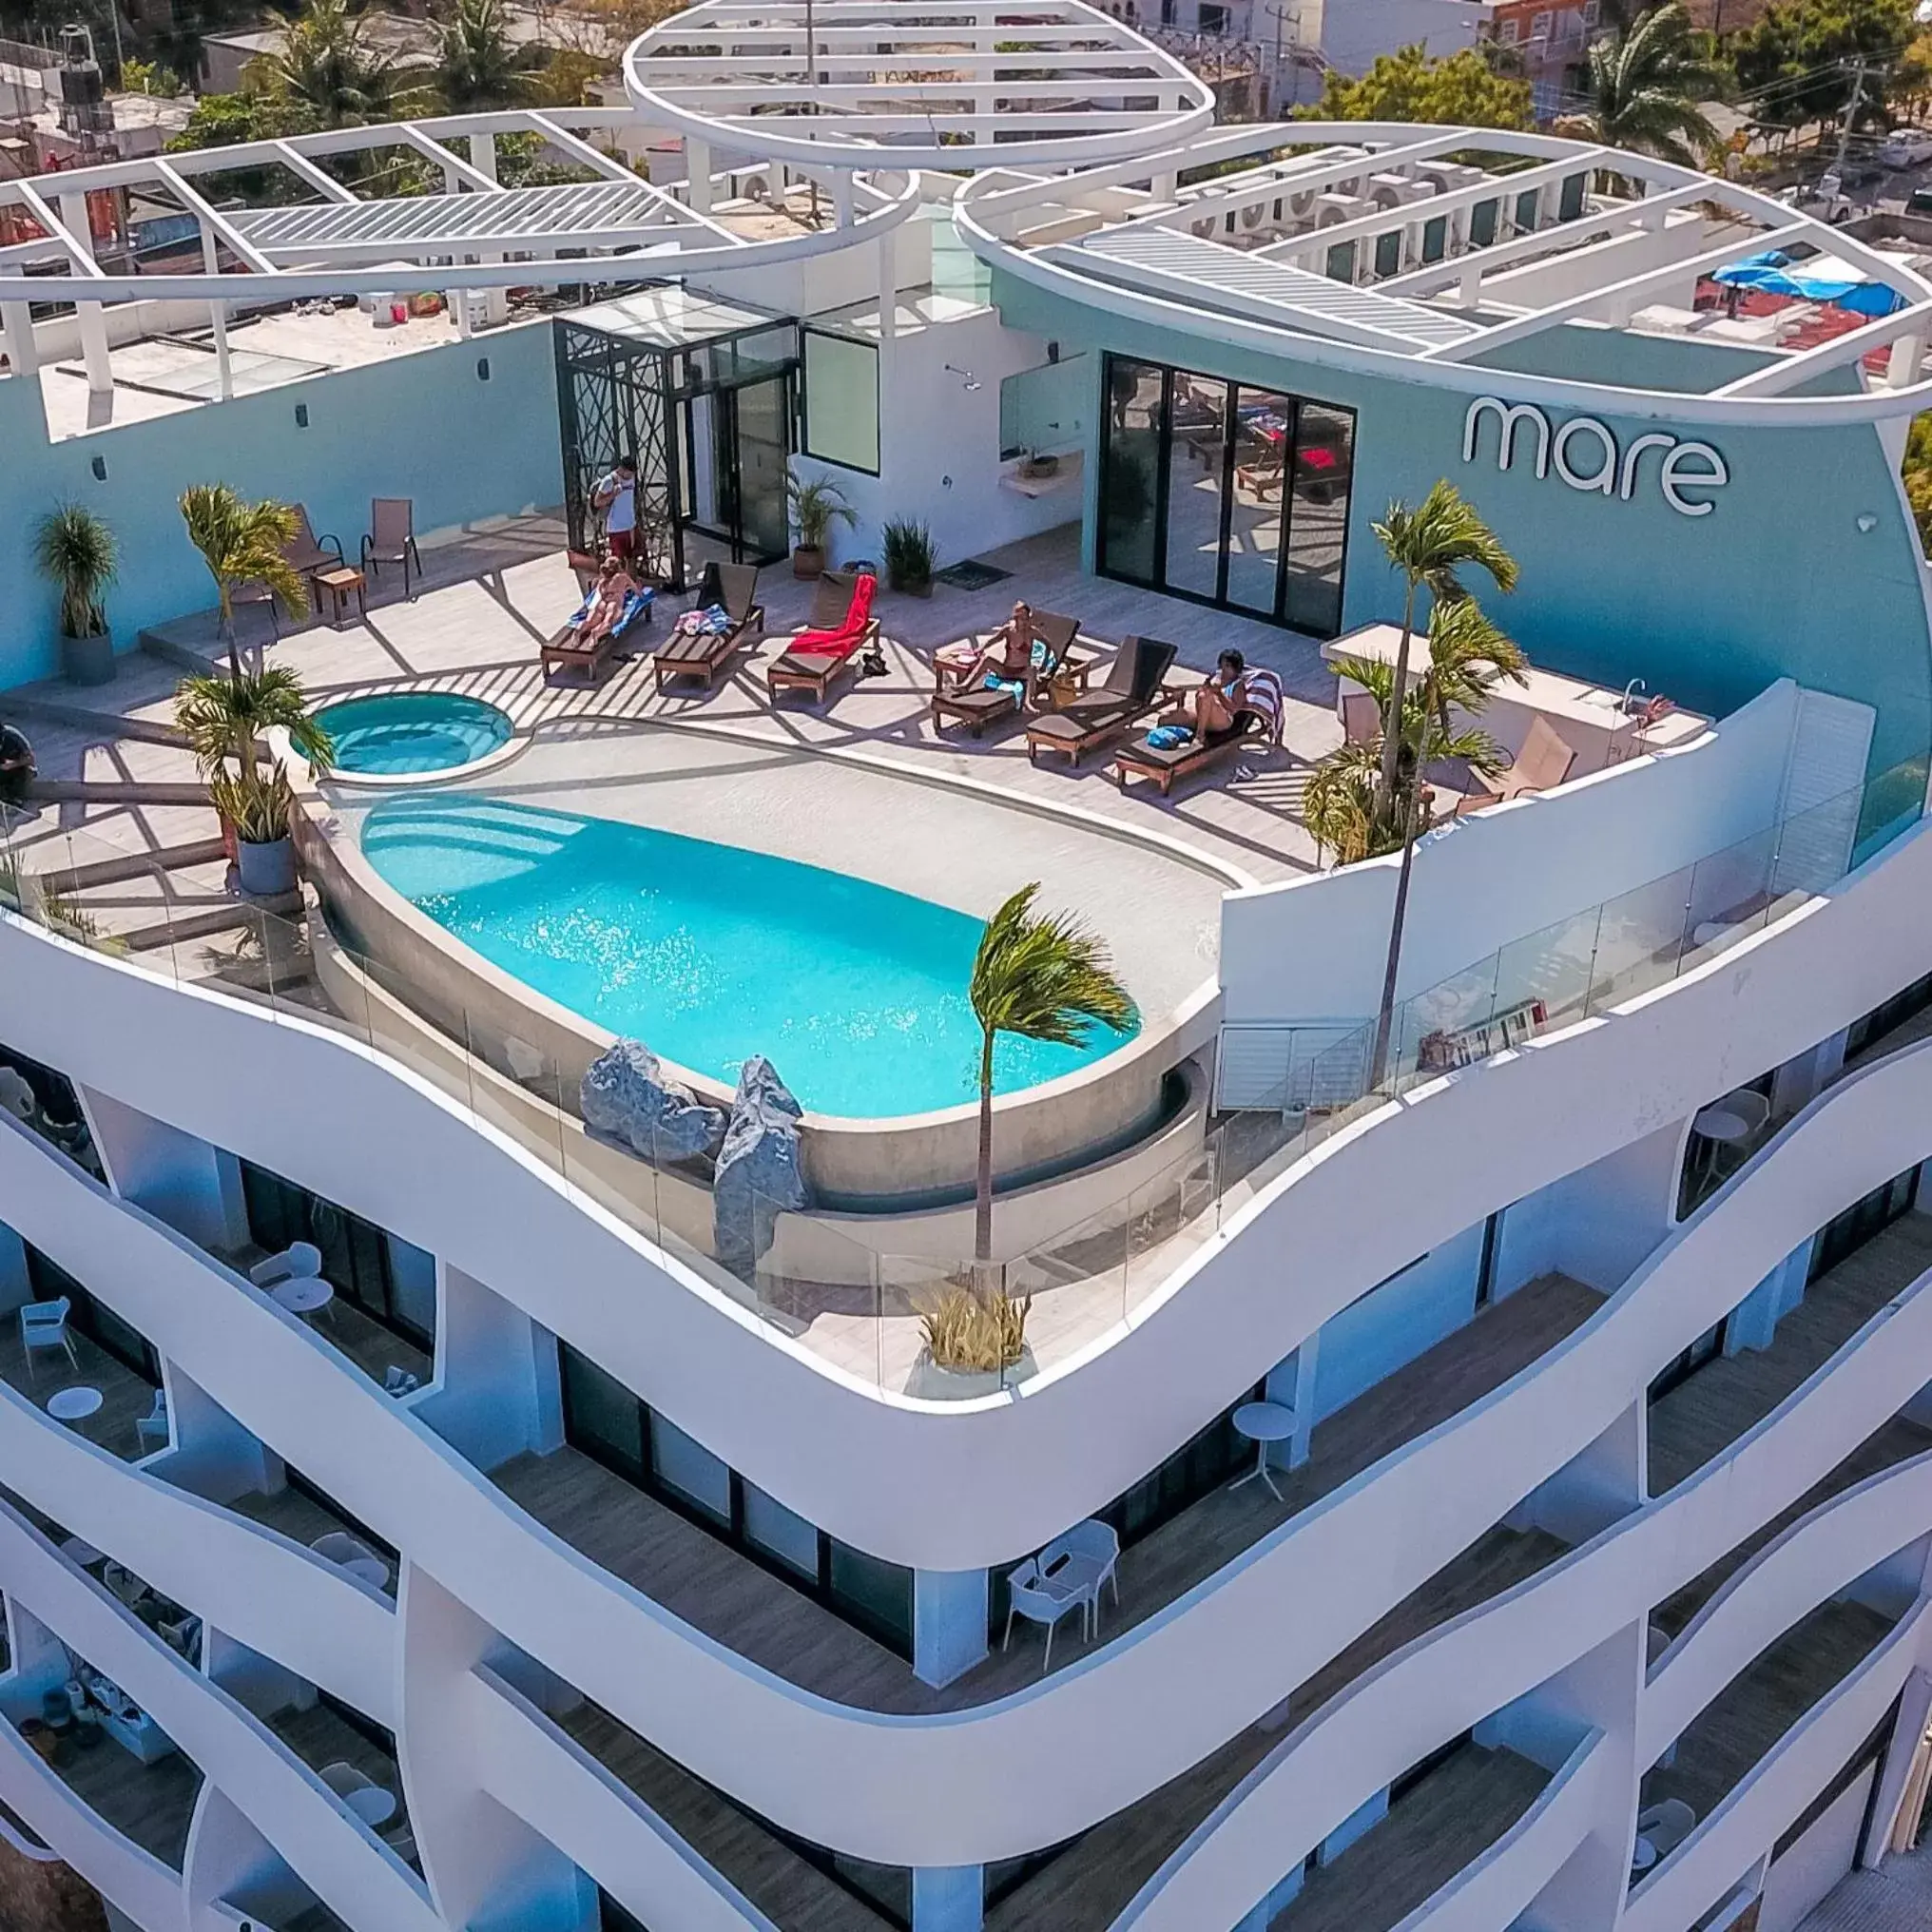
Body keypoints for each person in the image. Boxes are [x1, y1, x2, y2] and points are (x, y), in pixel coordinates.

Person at [939, 601, 1038, 692]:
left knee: (1032, 670)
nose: (1024, 622)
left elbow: (1049, 644)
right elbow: (993, 639)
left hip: (1021, 672)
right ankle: (966, 686)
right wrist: (981, 648)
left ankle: (1028, 703)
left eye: (1026, 619)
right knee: (986, 660)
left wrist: (1044, 663)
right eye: (1021, 619)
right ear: (1015, 618)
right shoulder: (1008, 630)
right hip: (1006, 670)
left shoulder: (1032, 632)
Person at [572, 556, 638, 649]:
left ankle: (578, 631)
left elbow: (597, 594)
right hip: (614, 604)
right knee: (607, 622)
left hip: (601, 603)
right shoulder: (623, 577)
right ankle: (596, 633)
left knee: (589, 621)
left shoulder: (601, 580)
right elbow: (637, 591)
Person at [1189, 648, 1252, 737]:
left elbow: (1234, 708)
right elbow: (1198, 695)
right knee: (1172, 716)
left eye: (1227, 666)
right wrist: (1204, 689)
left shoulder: (1237, 684)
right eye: (1221, 665)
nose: (1223, 669)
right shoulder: (1214, 677)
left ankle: (1200, 735)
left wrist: (1219, 694)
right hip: (1204, 713)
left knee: (1205, 697)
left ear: (1235, 668)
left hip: (1224, 719)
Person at [590, 454, 639, 565]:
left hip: (631, 525)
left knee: (633, 558)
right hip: (616, 528)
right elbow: (597, 502)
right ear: (622, 469)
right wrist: (613, 494)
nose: (631, 476)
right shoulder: (609, 481)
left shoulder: (631, 479)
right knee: (617, 562)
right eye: (629, 474)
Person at [0, 718, 33, 809]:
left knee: (28, 770)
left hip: (16, 769)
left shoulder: (12, 736)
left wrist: (13, 764)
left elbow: (30, 758)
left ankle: (16, 798)